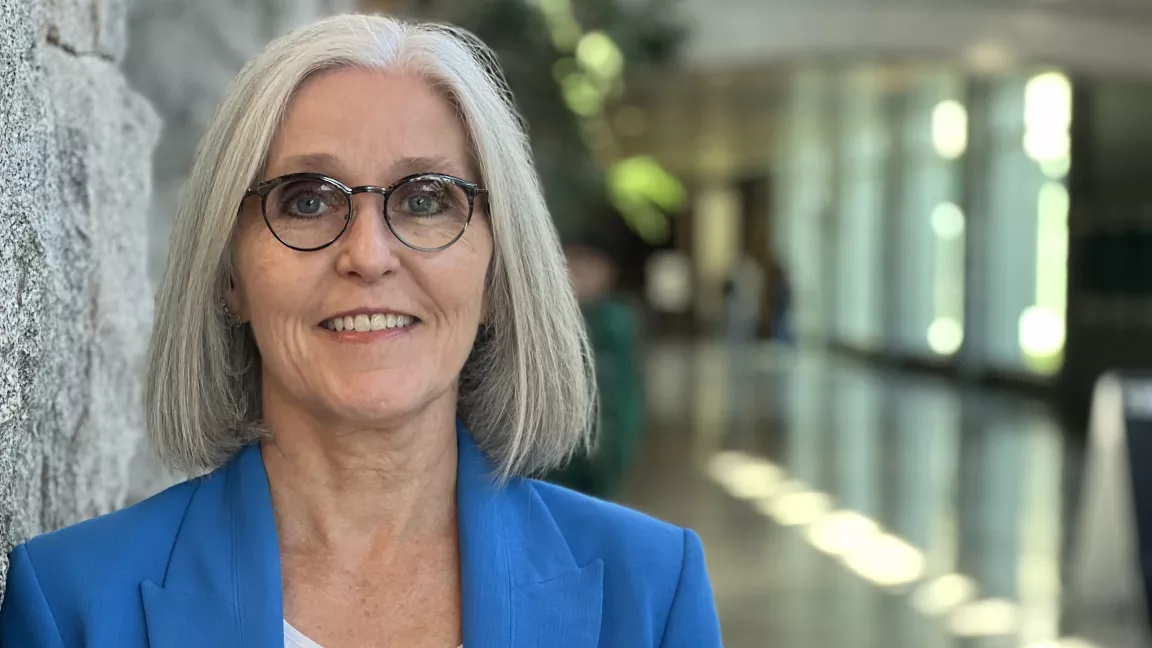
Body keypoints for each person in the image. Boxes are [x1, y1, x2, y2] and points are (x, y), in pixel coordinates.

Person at [0, 15, 721, 648]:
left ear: (498, 274)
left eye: (427, 199)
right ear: (229, 277)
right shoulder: (73, 605)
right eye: (306, 199)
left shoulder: (652, 592)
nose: (369, 256)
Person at [546, 242, 645, 499]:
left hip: (596, 450)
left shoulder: (613, 321)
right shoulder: (544, 319)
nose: (573, 275)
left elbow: (621, 399)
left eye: (583, 267)